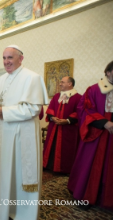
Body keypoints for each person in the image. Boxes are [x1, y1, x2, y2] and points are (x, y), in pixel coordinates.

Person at [0, 45, 48, 219]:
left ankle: (19, 211)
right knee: (0, 167)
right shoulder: (1, 79)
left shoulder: (32, 78)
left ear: (20, 58)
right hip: (2, 131)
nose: (6, 61)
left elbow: (33, 109)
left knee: (16, 171)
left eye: (10, 57)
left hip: (21, 134)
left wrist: (3, 111)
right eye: (4, 58)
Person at [68, 61, 113, 211]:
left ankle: (105, 198)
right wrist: (104, 122)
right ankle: (85, 195)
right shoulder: (93, 90)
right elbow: (84, 109)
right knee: (91, 164)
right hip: (97, 135)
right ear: (108, 72)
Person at [43, 76, 81, 173]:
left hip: (68, 129)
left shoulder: (78, 97)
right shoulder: (56, 96)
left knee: (66, 149)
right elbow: (50, 109)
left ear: (70, 84)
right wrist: (52, 117)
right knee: (51, 145)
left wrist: (67, 120)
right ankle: (48, 165)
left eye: (62, 82)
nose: (60, 84)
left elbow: (79, 113)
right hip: (54, 127)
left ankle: (63, 169)